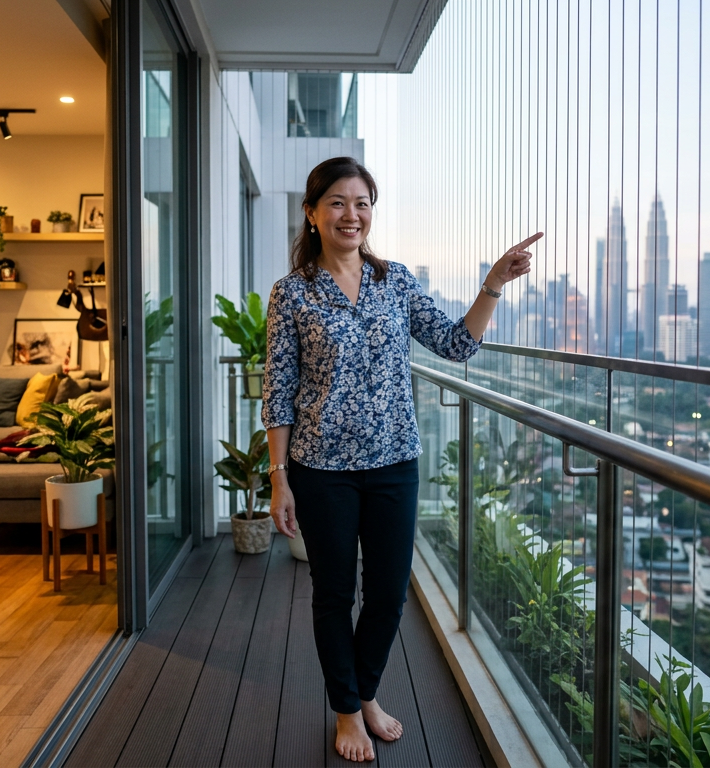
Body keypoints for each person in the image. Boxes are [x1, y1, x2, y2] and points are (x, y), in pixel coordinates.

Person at [262, 156, 538, 762]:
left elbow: (457, 344)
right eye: (336, 202)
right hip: (320, 469)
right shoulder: (292, 294)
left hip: (394, 464)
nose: (351, 214)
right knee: (334, 594)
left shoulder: (396, 282)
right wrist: (279, 479)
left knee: (388, 593)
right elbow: (277, 390)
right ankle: (347, 711)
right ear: (312, 214)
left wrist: (493, 281)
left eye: (361, 203)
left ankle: (363, 693)